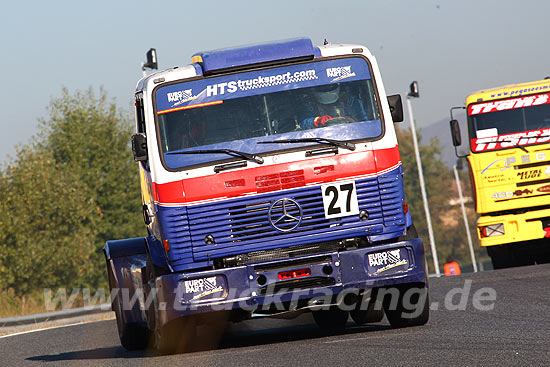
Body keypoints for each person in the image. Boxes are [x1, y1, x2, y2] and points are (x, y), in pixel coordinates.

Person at [299, 83, 368, 130]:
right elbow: (303, 122)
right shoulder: (310, 105)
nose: (326, 88)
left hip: (351, 133)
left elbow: (364, 120)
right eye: (323, 87)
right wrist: (317, 120)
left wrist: (352, 121)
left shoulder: (350, 101)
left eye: (329, 86)